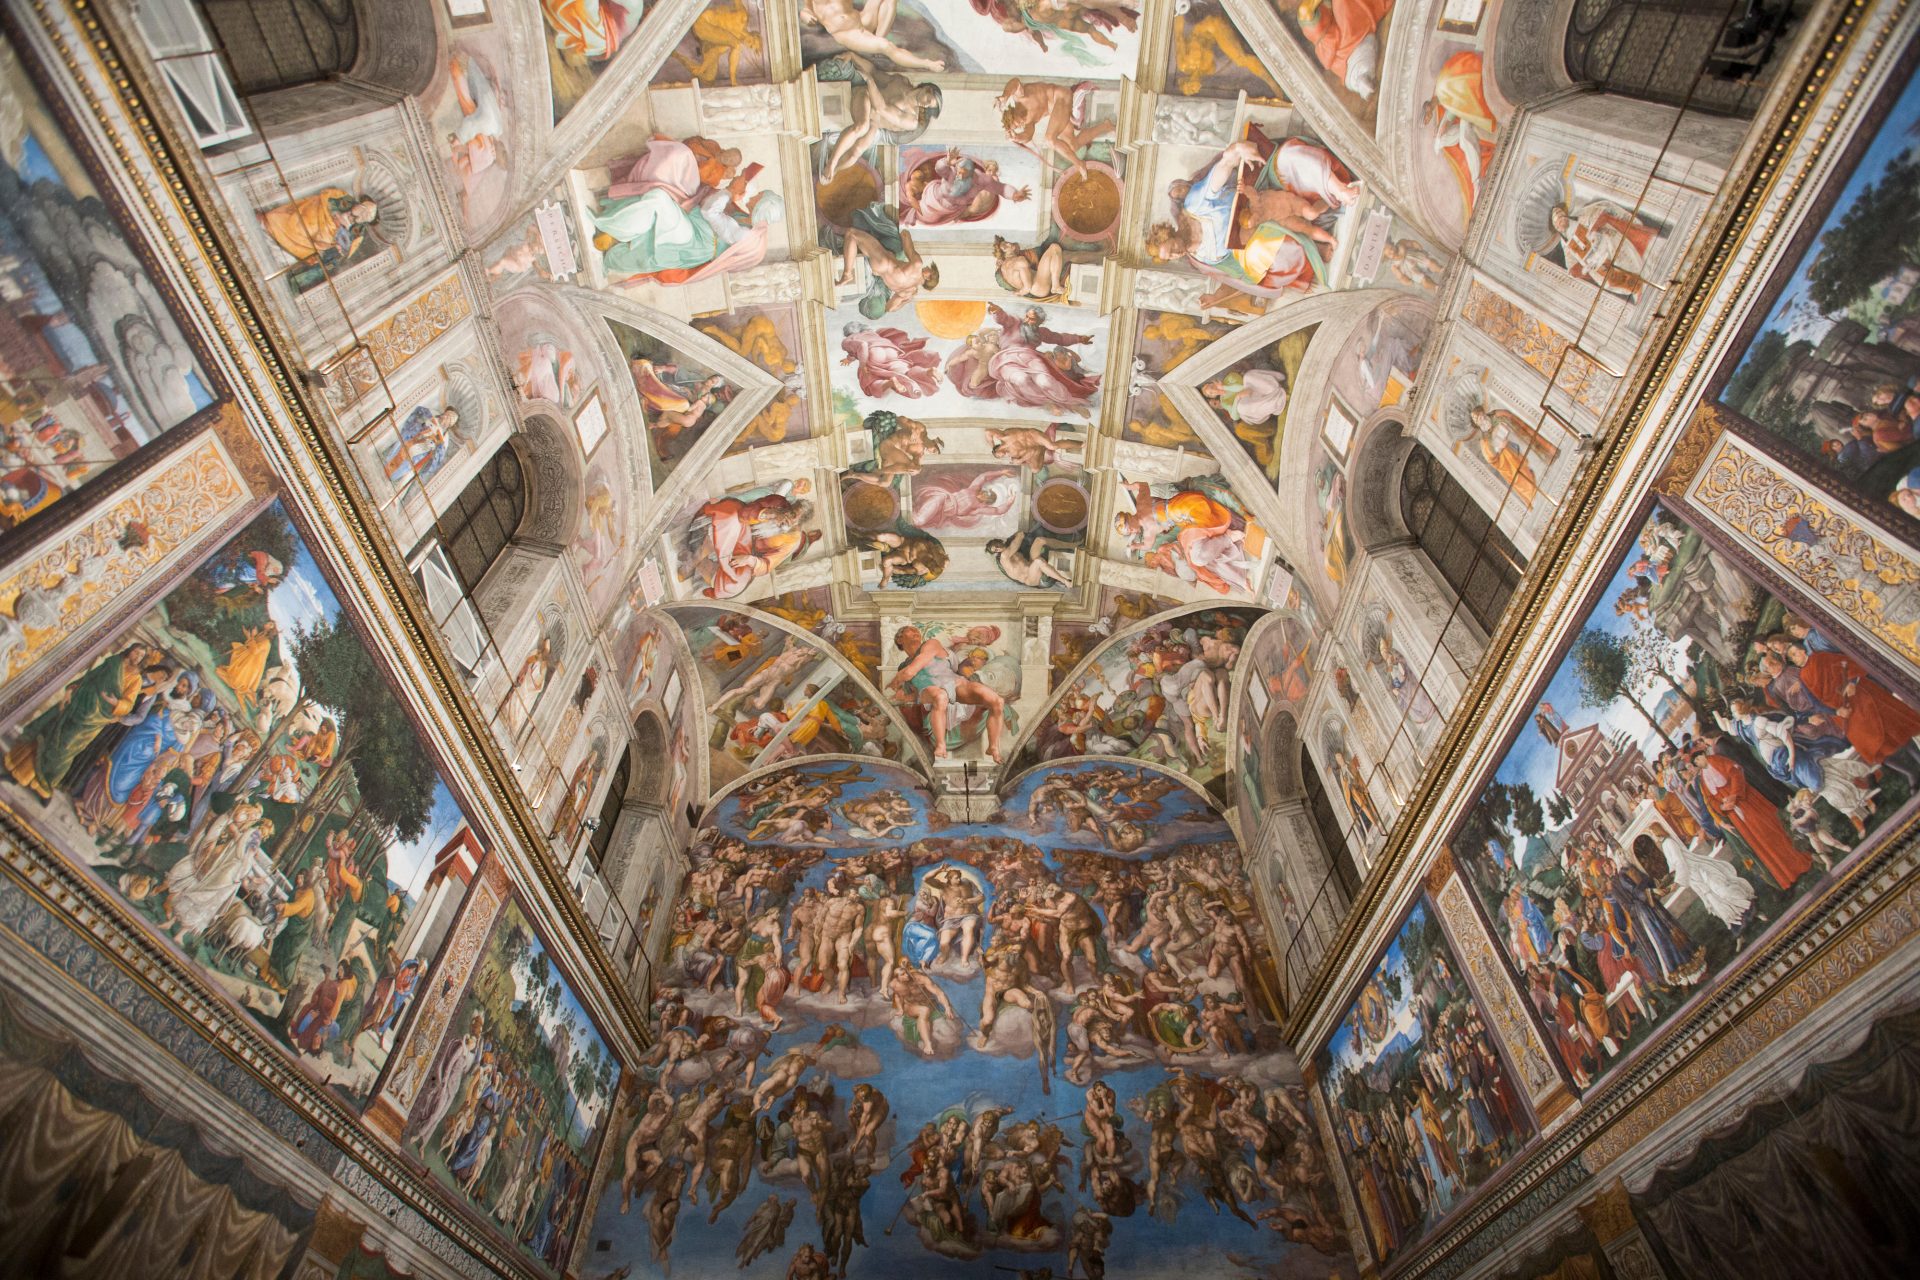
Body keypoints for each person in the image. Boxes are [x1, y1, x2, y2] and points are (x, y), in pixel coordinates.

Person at [822, 55, 944, 181]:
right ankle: (832, 162)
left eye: (930, 106)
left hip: (874, 122)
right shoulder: (901, 81)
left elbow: (882, 109)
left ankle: (832, 173)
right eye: (929, 100)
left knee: (856, 152)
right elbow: (874, 72)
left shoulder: (912, 120)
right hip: (865, 96)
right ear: (927, 89)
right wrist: (852, 55)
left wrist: (869, 80)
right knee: (862, 126)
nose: (926, 105)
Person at [995, 78, 1111, 176]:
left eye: (1017, 122)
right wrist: (1016, 138)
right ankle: (1106, 126)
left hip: (1060, 97)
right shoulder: (1028, 122)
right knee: (1072, 145)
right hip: (1058, 112)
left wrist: (1004, 96)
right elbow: (1028, 135)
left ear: (1013, 113)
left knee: (1050, 139)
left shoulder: (1020, 97)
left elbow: (1015, 82)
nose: (1020, 125)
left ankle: (1079, 164)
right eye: (1017, 127)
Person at [801, 0, 945, 71]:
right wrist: (806, 16)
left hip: (862, 19)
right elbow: (806, 10)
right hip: (848, 33)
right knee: (886, 46)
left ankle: (879, 37)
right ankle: (926, 64)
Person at [1297, 0, 1390, 97]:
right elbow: (1305, 11)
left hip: (1344, 34)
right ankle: (1361, 78)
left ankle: (1361, 78)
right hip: (1340, 39)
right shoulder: (1304, 11)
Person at [841, 321, 940, 397]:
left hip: (874, 353)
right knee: (905, 372)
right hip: (891, 351)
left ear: (847, 333)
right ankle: (927, 372)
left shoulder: (848, 340)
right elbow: (854, 354)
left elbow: (862, 346)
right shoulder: (872, 334)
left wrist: (863, 366)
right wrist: (849, 359)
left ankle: (889, 383)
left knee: (870, 381)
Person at [993, 235, 1070, 300]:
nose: (1009, 244)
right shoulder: (1020, 261)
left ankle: (1055, 285)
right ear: (1003, 253)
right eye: (1005, 247)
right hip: (1040, 286)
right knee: (1054, 247)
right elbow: (1027, 288)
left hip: (1038, 287)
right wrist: (1021, 292)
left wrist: (1018, 293)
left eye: (1007, 243)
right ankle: (1056, 286)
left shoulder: (1003, 267)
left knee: (1053, 254)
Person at [988, 531, 1075, 588]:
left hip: (1031, 565)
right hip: (1030, 578)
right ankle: (1065, 581)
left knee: (1040, 540)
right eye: (996, 550)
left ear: (998, 541)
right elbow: (1020, 535)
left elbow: (1021, 534)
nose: (998, 548)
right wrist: (1017, 536)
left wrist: (1016, 536)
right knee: (1038, 562)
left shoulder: (1010, 549)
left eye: (996, 545)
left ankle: (1072, 546)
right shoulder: (1004, 556)